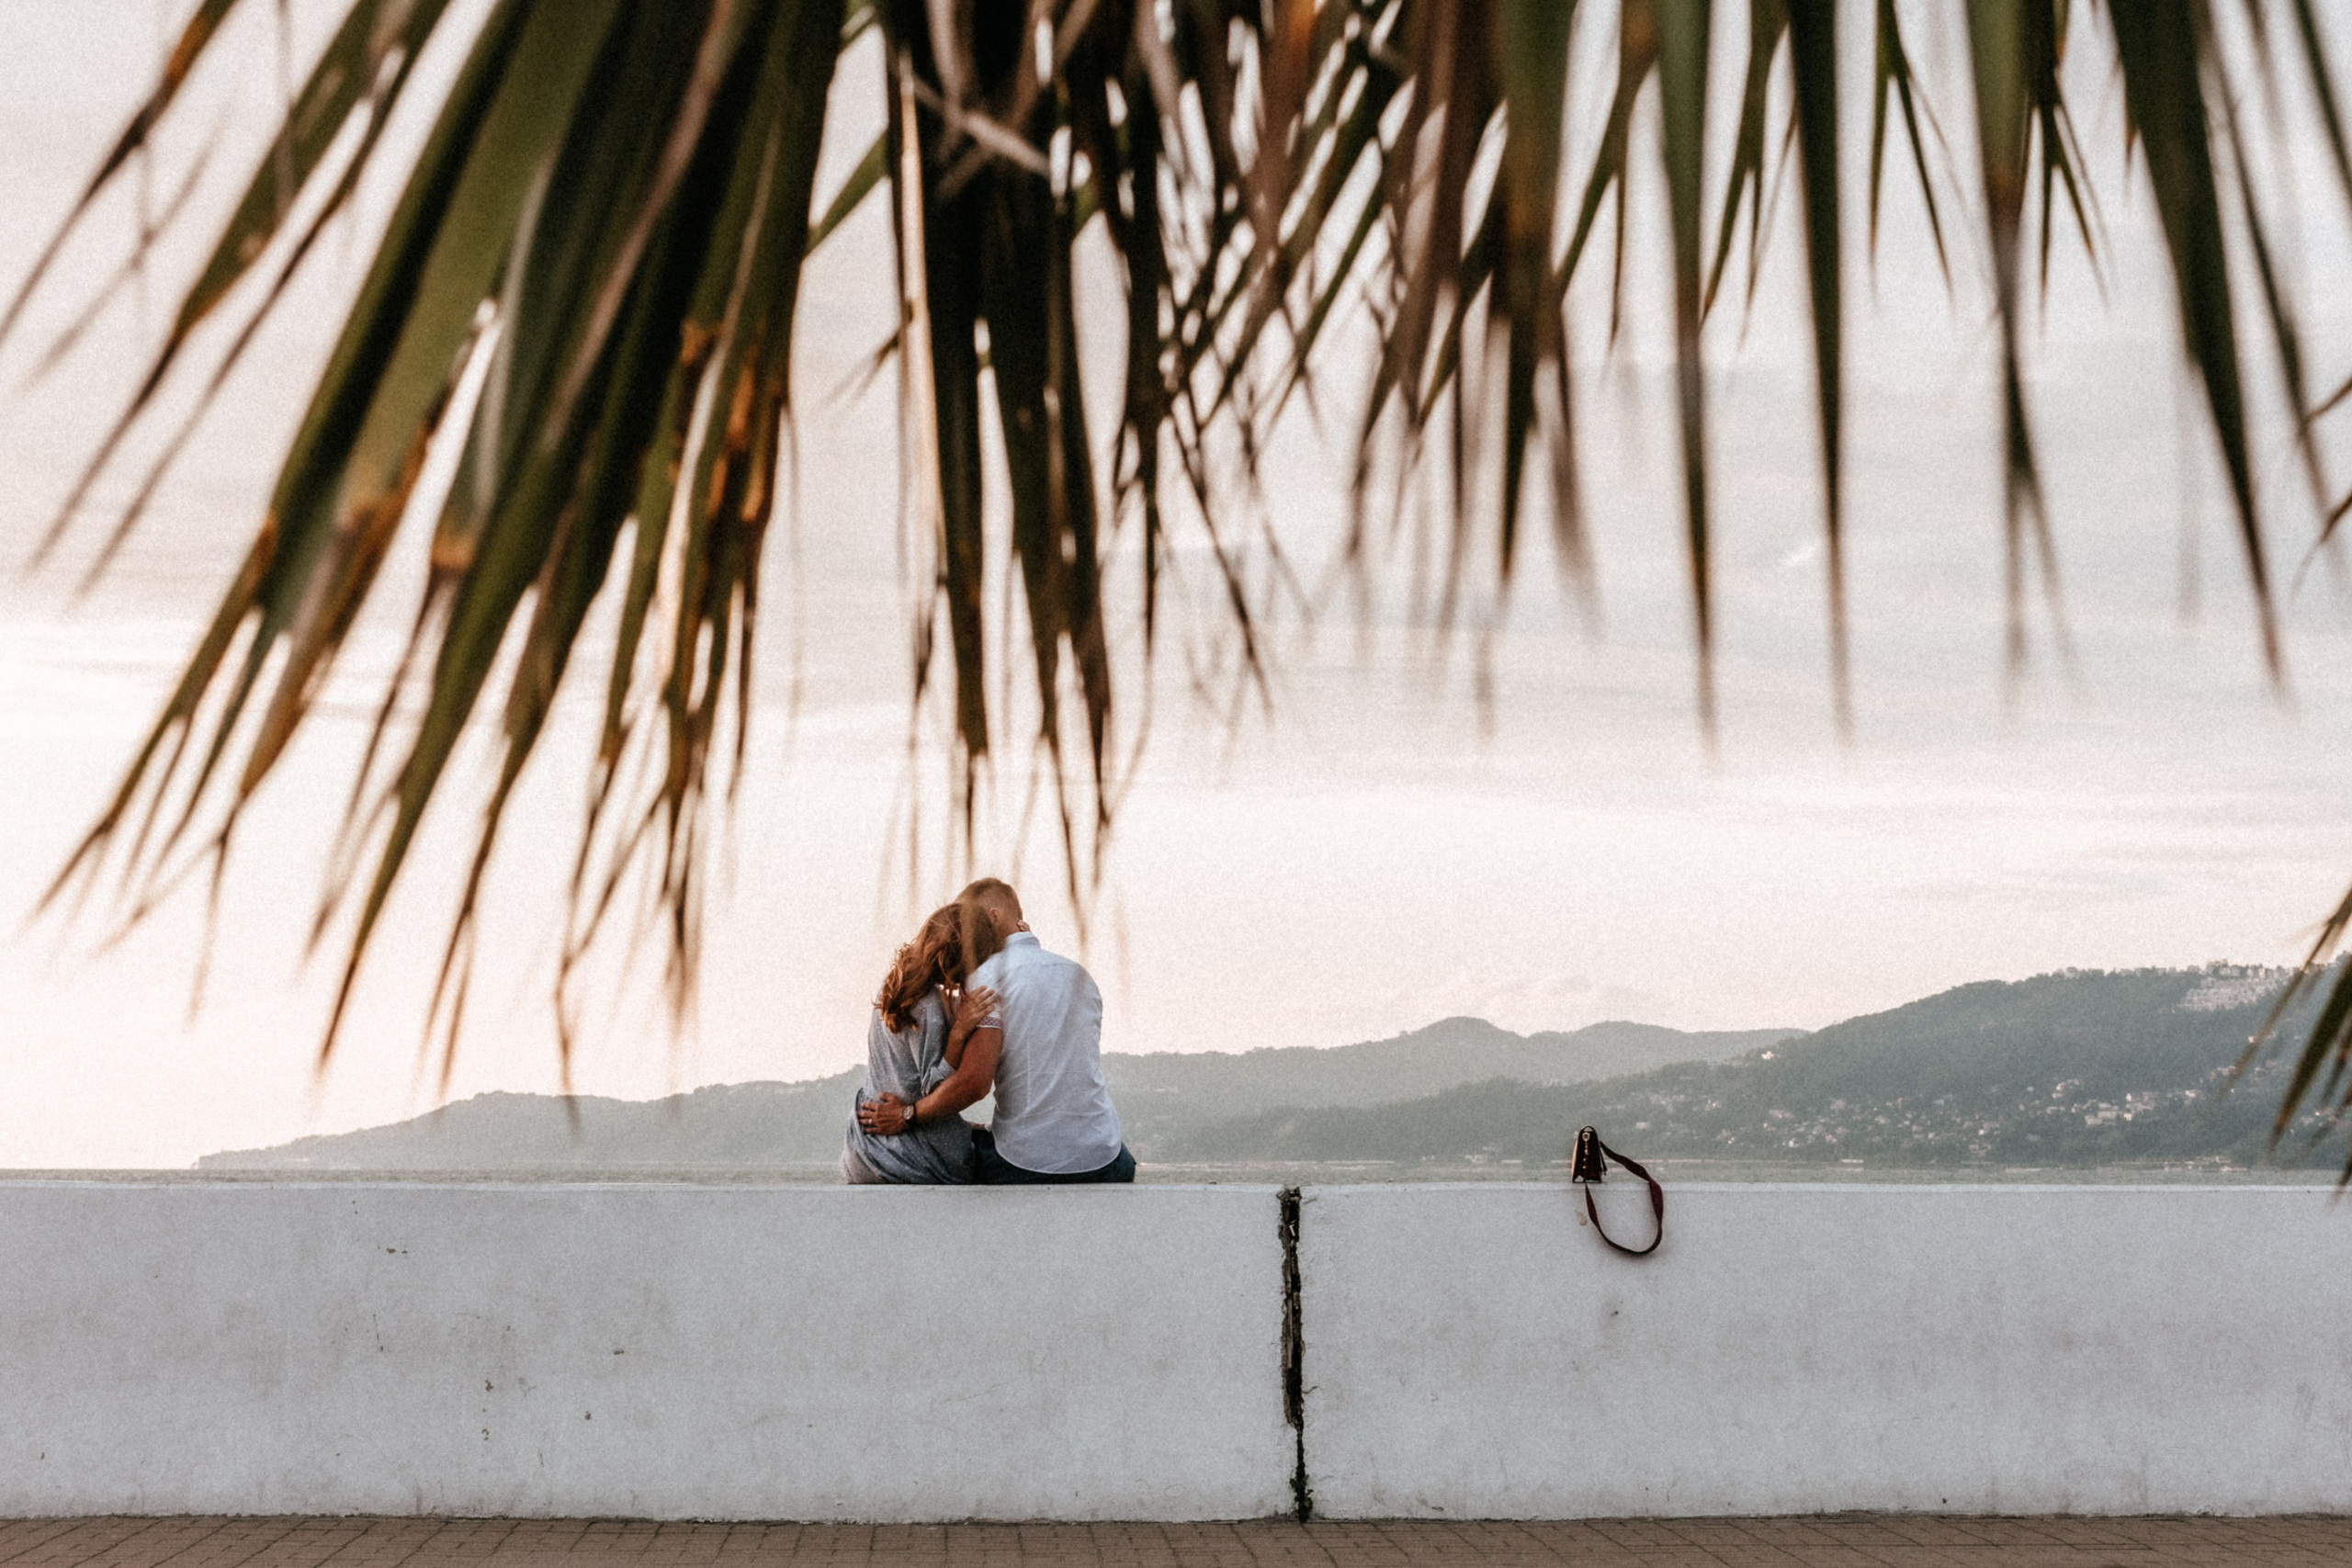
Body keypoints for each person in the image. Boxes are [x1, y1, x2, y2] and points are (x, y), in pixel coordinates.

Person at [857, 878, 1135, 1184]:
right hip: (1105, 1158)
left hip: (1025, 1164)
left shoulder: (987, 978)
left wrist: (906, 1115)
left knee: (956, 1152)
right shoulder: (1078, 974)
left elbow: (973, 1085)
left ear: (991, 917)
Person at [839, 903, 1001, 1184]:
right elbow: (935, 1089)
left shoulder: (894, 985)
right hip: (908, 1156)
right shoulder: (928, 1008)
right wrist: (960, 1031)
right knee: (1010, 1156)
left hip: (865, 1149)